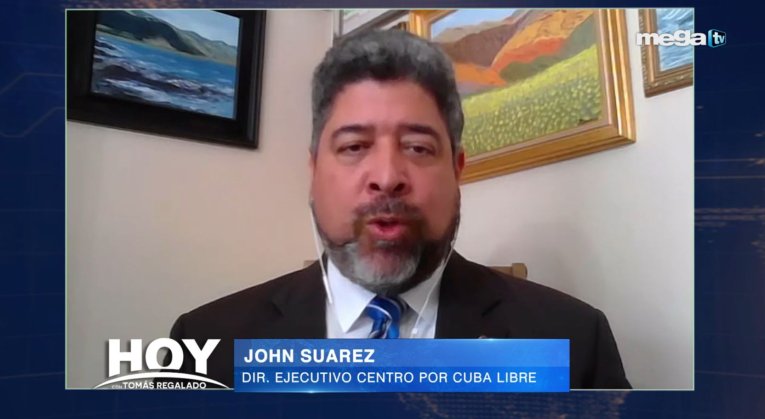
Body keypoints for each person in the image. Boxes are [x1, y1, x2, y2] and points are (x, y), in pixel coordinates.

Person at [162, 29, 630, 389]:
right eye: (354, 146)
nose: (387, 176)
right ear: (314, 169)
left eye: (418, 147)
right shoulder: (204, 345)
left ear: (457, 170)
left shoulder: (574, 341)